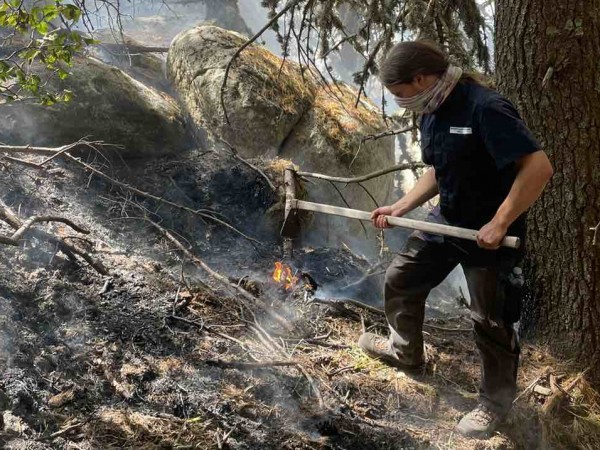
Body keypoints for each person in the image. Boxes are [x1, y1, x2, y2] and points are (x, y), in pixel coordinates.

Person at [357, 40, 553, 438]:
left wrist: (499, 223)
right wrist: (401, 206)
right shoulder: (430, 108)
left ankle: (494, 405)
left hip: (491, 235)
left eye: (399, 93)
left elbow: (538, 166)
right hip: (447, 219)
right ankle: (405, 353)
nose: (399, 102)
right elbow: (438, 168)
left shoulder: (485, 108)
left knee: (491, 320)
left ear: (420, 78)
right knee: (402, 279)